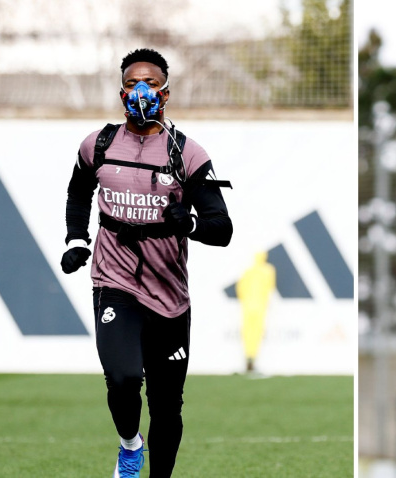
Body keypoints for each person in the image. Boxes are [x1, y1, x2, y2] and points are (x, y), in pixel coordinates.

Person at [61, 48, 233, 478]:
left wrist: (190, 222)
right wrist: (77, 239)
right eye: (134, 82)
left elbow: (222, 227)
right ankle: (129, 446)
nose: (142, 90)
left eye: (151, 83)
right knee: (121, 378)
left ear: (166, 93)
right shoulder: (97, 144)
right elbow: (79, 192)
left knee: (167, 407)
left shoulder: (187, 153)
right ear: (121, 92)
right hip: (113, 279)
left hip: (170, 297)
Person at [236, 251, 276, 373]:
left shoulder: (248, 271)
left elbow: (240, 288)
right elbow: (270, 286)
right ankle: (252, 359)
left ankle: (249, 358)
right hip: (260, 306)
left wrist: (245, 300)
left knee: (247, 333)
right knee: (256, 333)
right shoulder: (269, 270)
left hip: (247, 306)